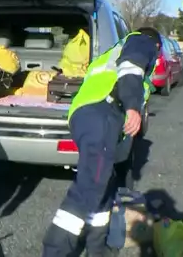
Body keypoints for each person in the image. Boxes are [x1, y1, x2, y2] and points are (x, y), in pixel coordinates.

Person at [42, 27, 162, 257]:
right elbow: (131, 69)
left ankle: (98, 250)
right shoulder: (142, 41)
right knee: (91, 185)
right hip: (102, 113)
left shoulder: (112, 52)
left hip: (87, 116)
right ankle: (54, 251)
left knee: (104, 185)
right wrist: (132, 108)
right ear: (156, 45)